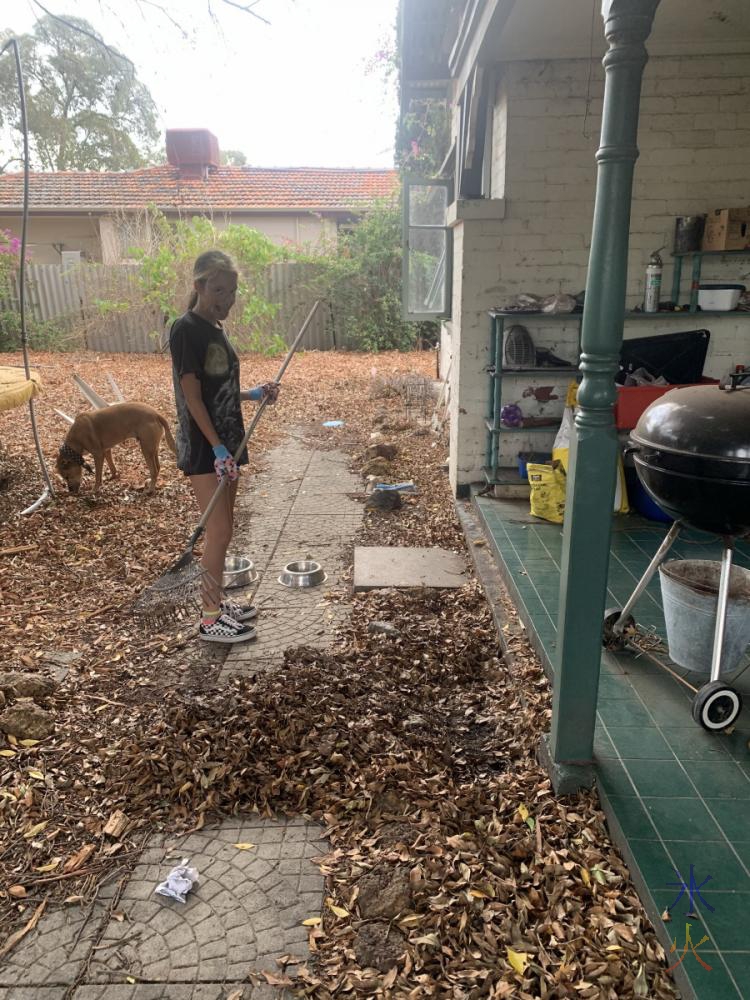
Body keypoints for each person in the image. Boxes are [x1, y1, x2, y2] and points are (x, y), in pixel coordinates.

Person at [169, 249, 279, 643]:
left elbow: (221, 389)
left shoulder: (216, 329)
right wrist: (215, 449)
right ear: (199, 286)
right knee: (217, 532)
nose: (227, 299)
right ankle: (210, 619)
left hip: (228, 442)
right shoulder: (186, 329)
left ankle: (215, 601)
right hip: (206, 449)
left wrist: (253, 393)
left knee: (226, 530)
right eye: (218, 290)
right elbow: (192, 398)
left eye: (232, 291)